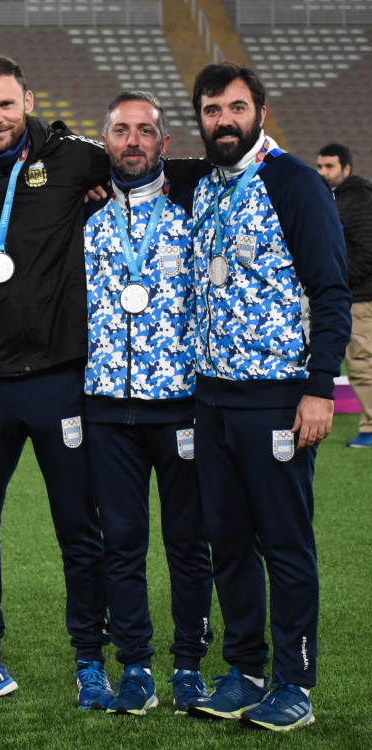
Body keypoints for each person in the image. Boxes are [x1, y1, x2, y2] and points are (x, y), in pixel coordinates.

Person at [0, 54, 114, 708]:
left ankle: (90, 659)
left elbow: (142, 165)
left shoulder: (75, 158)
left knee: (78, 525)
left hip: (59, 380)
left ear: (28, 100)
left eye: (6, 105)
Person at [185, 62, 351, 731]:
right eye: (211, 111)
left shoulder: (295, 182)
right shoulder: (204, 186)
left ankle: (296, 683)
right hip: (212, 398)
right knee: (227, 542)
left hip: (278, 397)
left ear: (259, 109)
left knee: (284, 544)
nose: (223, 121)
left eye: (235, 108)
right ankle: (245, 670)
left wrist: (319, 391)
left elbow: (331, 292)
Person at [84, 90, 214, 716]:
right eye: (119, 131)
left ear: (165, 143)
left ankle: (188, 665)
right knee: (123, 543)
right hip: (108, 409)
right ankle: (135, 666)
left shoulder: (196, 208)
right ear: (103, 141)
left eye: (144, 131)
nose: (131, 141)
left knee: (189, 544)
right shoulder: (80, 216)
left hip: (183, 407)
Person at [317, 143, 372, 447]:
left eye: (329, 167)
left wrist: (337, 282)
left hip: (362, 299)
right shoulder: (342, 198)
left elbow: (367, 252)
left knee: (363, 365)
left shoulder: (357, 200)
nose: (323, 173)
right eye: (320, 167)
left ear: (346, 169)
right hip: (359, 296)